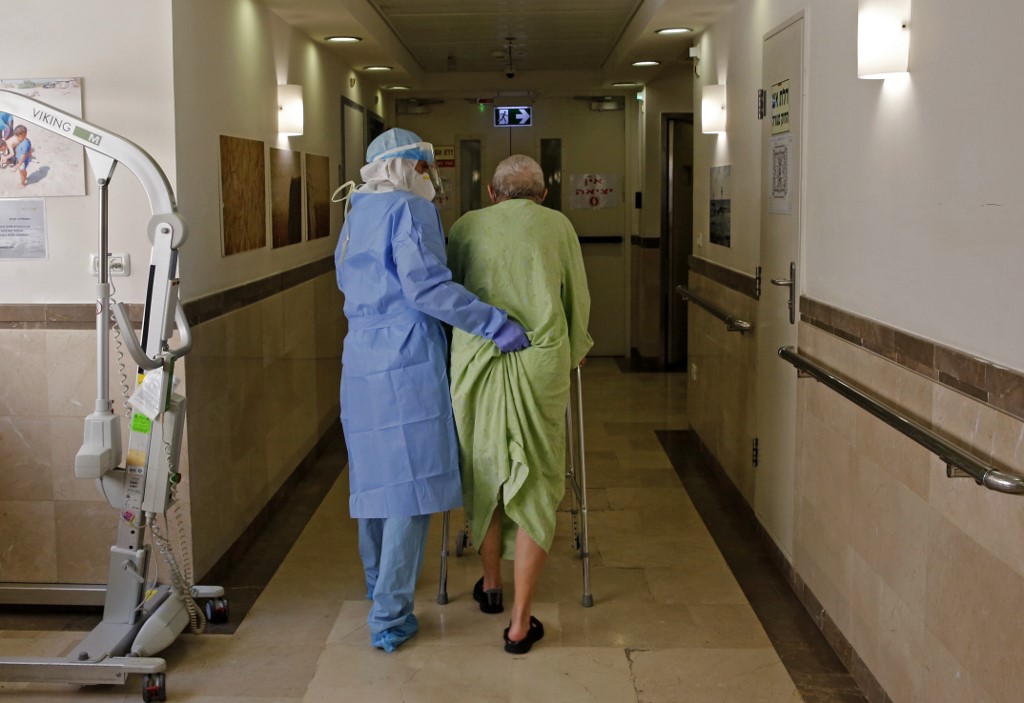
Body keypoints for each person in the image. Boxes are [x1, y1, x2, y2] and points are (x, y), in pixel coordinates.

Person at [335, 128, 530, 654]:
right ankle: (390, 615)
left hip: (361, 360)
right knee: (410, 490)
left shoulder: (356, 213)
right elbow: (426, 287)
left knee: (375, 484)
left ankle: (379, 584)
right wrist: (493, 322)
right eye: (425, 168)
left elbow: (346, 281)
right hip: (405, 360)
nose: (431, 178)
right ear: (404, 169)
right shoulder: (409, 211)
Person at [447, 154, 592, 654]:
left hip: (477, 360)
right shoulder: (559, 226)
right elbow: (577, 297)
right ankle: (519, 622)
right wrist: (577, 350)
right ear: (542, 194)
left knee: (484, 465)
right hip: (540, 363)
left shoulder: (465, 227)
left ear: (492, 193)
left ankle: (491, 585)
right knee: (536, 476)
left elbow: (450, 298)